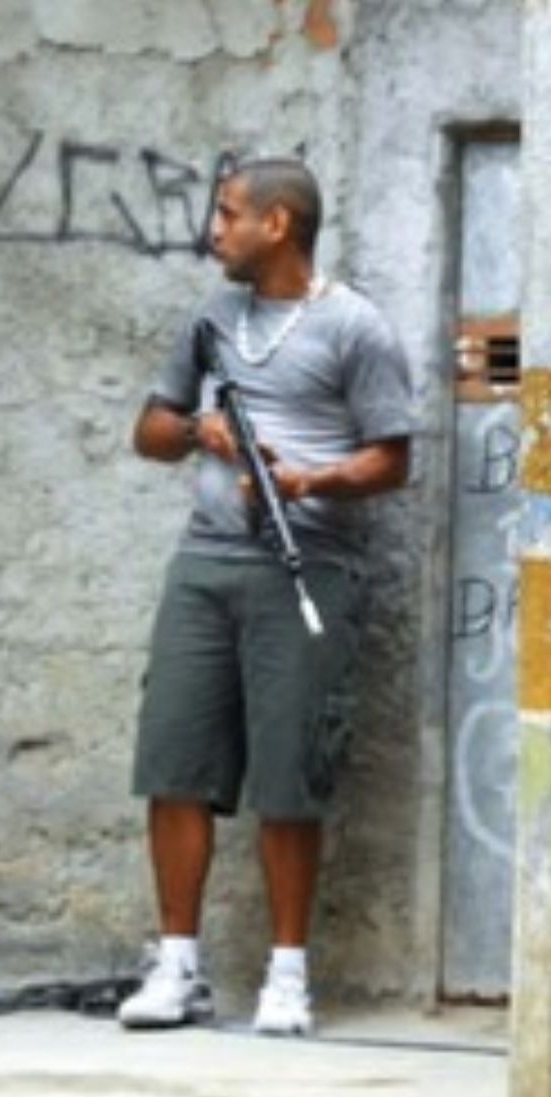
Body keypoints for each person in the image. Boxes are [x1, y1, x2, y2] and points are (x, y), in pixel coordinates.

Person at [118, 157, 420, 1037]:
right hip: (203, 564)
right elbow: (148, 431)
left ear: (278, 225)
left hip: (307, 568)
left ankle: (287, 977)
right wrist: (199, 430)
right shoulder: (213, 320)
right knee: (174, 766)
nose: (214, 230)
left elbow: (392, 458)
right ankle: (177, 968)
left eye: (229, 214)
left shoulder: (355, 327)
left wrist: (305, 481)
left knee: (290, 775)